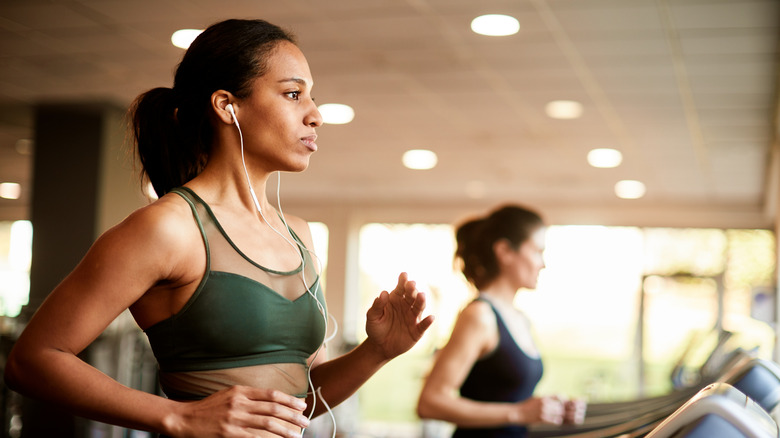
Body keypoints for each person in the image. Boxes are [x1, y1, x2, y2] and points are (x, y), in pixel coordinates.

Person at [4, 18, 434, 438]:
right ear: (228, 105)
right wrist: (177, 417)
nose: (315, 115)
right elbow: (32, 360)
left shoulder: (299, 234)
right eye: (292, 94)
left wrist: (376, 352)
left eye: (311, 97)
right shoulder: (168, 227)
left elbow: (297, 405)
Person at [416, 205, 585, 437]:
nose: (542, 263)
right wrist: (519, 413)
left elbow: (509, 398)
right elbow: (430, 402)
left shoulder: (520, 318)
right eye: (537, 251)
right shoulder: (480, 316)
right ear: (504, 251)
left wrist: (548, 410)